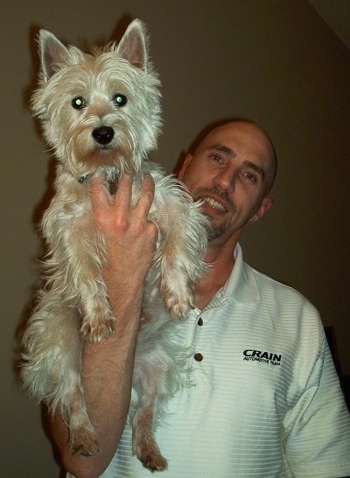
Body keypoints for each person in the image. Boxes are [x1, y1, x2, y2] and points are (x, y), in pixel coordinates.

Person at [51, 120, 350, 478]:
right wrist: (123, 280)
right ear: (183, 167)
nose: (225, 182)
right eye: (217, 158)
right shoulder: (89, 285)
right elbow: (81, 460)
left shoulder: (297, 320)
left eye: (249, 176)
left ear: (261, 209)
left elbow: (325, 467)